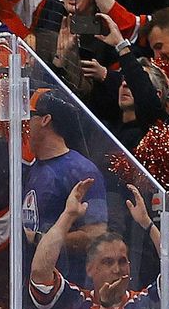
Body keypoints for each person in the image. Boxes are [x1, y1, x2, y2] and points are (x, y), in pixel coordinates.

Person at [29, 179, 169, 309]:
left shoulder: (145, 303)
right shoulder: (75, 302)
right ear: (90, 268)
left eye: (122, 261)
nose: (117, 269)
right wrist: (68, 216)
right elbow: (39, 272)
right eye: (107, 262)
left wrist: (149, 223)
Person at [23, 89, 107, 263]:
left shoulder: (81, 170)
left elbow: (95, 235)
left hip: (65, 280)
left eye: (30, 115)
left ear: (45, 120)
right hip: (34, 278)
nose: (24, 122)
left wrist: (41, 239)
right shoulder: (34, 167)